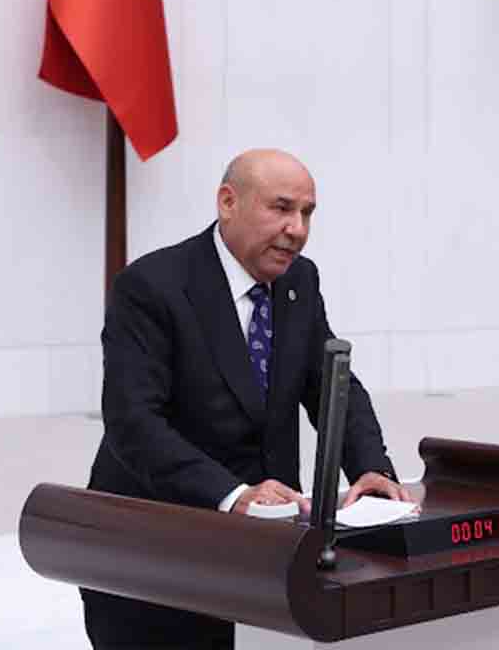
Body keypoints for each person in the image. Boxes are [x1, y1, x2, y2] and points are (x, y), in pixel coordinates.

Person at [82, 148, 412, 649]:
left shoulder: (300, 281)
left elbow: (332, 386)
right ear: (228, 202)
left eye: (307, 213)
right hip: (158, 560)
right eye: (281, 208)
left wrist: (370, 467)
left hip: (268, 564)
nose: (297, 229)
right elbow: (134, 423)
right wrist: (233, 494)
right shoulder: (152, 286)